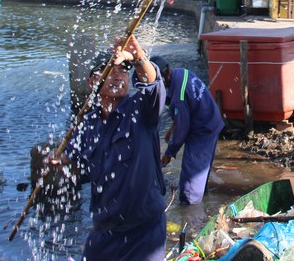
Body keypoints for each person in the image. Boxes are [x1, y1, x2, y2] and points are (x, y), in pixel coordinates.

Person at [50, 38, 167, 261]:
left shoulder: (141, 111)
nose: (116, 76)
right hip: (105, 231)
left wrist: (140, 59)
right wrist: (63, 163)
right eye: (107, 71)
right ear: (92, 81)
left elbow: (153, 84)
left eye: (123, 71)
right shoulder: (86, 125)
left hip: (144, 229)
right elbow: (82, 171)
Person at [151, 56, 224, 205]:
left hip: (202, 131)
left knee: (190, 187)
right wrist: (172, 127)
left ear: (164, 78)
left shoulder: (179, 97)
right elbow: (185, 110)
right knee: (202, 172)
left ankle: (191, 217)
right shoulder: (181, 73)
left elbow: (182, 130)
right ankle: (202, 197)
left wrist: (169, 153)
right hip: (212, 119)